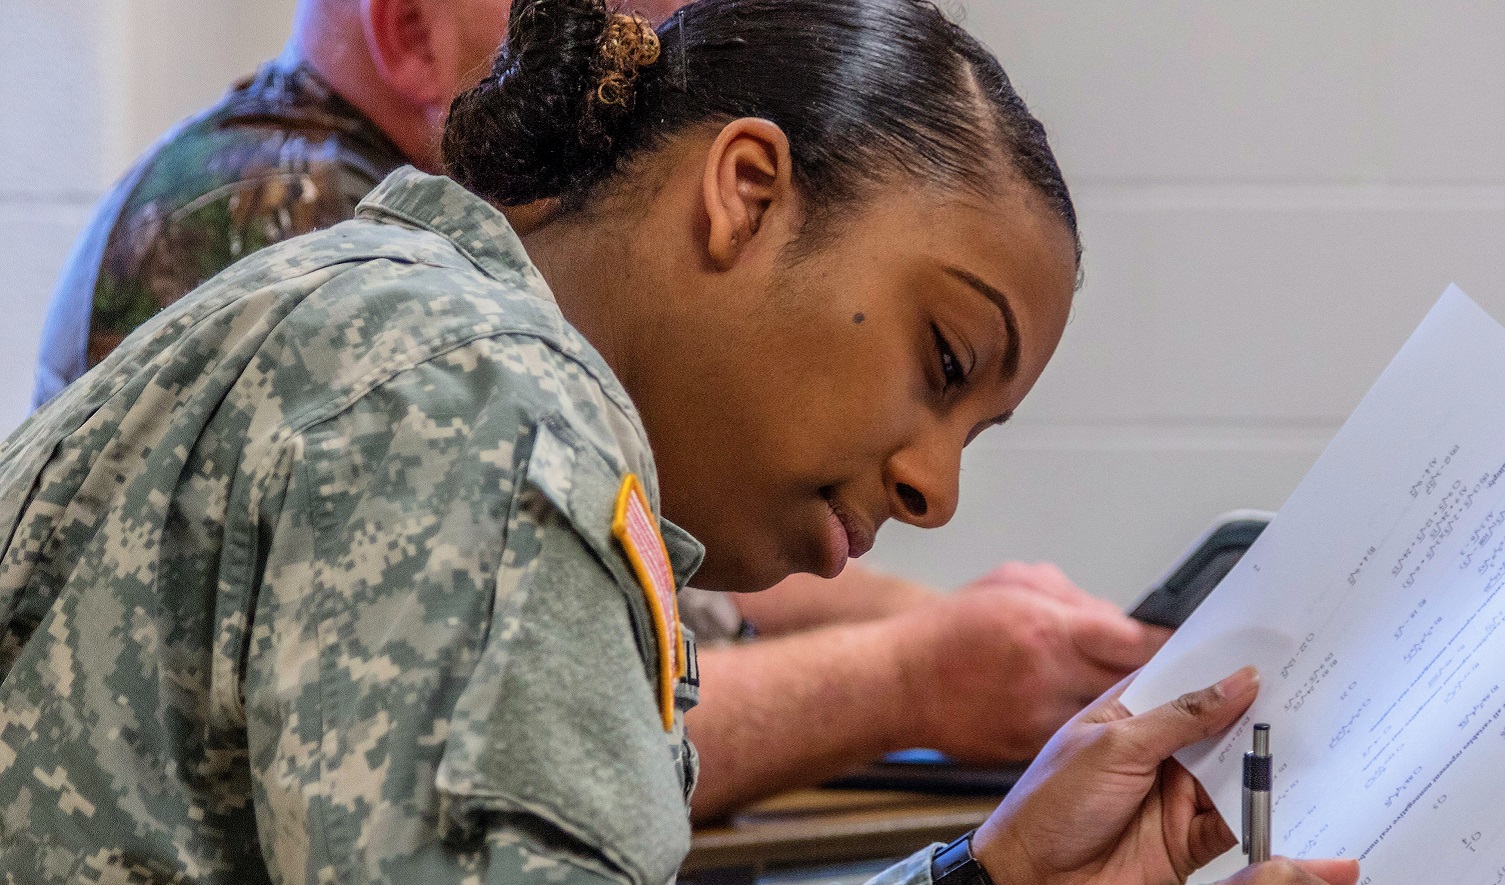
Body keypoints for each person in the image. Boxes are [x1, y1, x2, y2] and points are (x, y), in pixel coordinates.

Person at [0, 0, 1367, 882]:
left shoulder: (429, 333)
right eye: (943, 360)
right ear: (747, 194)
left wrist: (990, 881)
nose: (935, 488)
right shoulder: (475, 397)